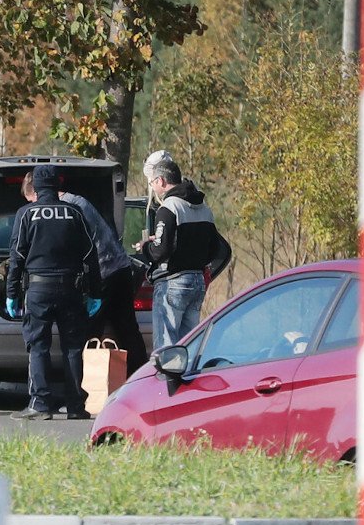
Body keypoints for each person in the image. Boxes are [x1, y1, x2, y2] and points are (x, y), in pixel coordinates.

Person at [21, 172, 149, 373]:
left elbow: (79, 249)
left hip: (103, 273)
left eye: (32, 201)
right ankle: (140, 378)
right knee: (127, 329)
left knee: (87, 332)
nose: (34, 207)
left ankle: (86, 386)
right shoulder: (77, 201)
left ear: (37, 193)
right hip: (121, 268)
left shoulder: (70, 208)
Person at [6, 164, 102, 420]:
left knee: (38, 347)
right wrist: (95, 291)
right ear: (57, 186)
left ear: (35, 187)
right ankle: (75, 407)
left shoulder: (26, 214)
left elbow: (16, 256)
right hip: (71, 289)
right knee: (72, 348)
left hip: (38, 289)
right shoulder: (74, 212)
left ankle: (40, 404)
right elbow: (91, 254)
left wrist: (12, 292)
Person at [137, 156, 223, 349]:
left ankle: (166, 379)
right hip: (198, 282)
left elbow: (161, 251)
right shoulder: (204, 209)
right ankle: (186, 379)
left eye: (152, 183)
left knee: (166, 347)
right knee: (189, 344)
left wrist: (145, 247)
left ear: (161, 181)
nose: (153, 188)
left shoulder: (168, 208)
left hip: (173, 282)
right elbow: (215, 248)